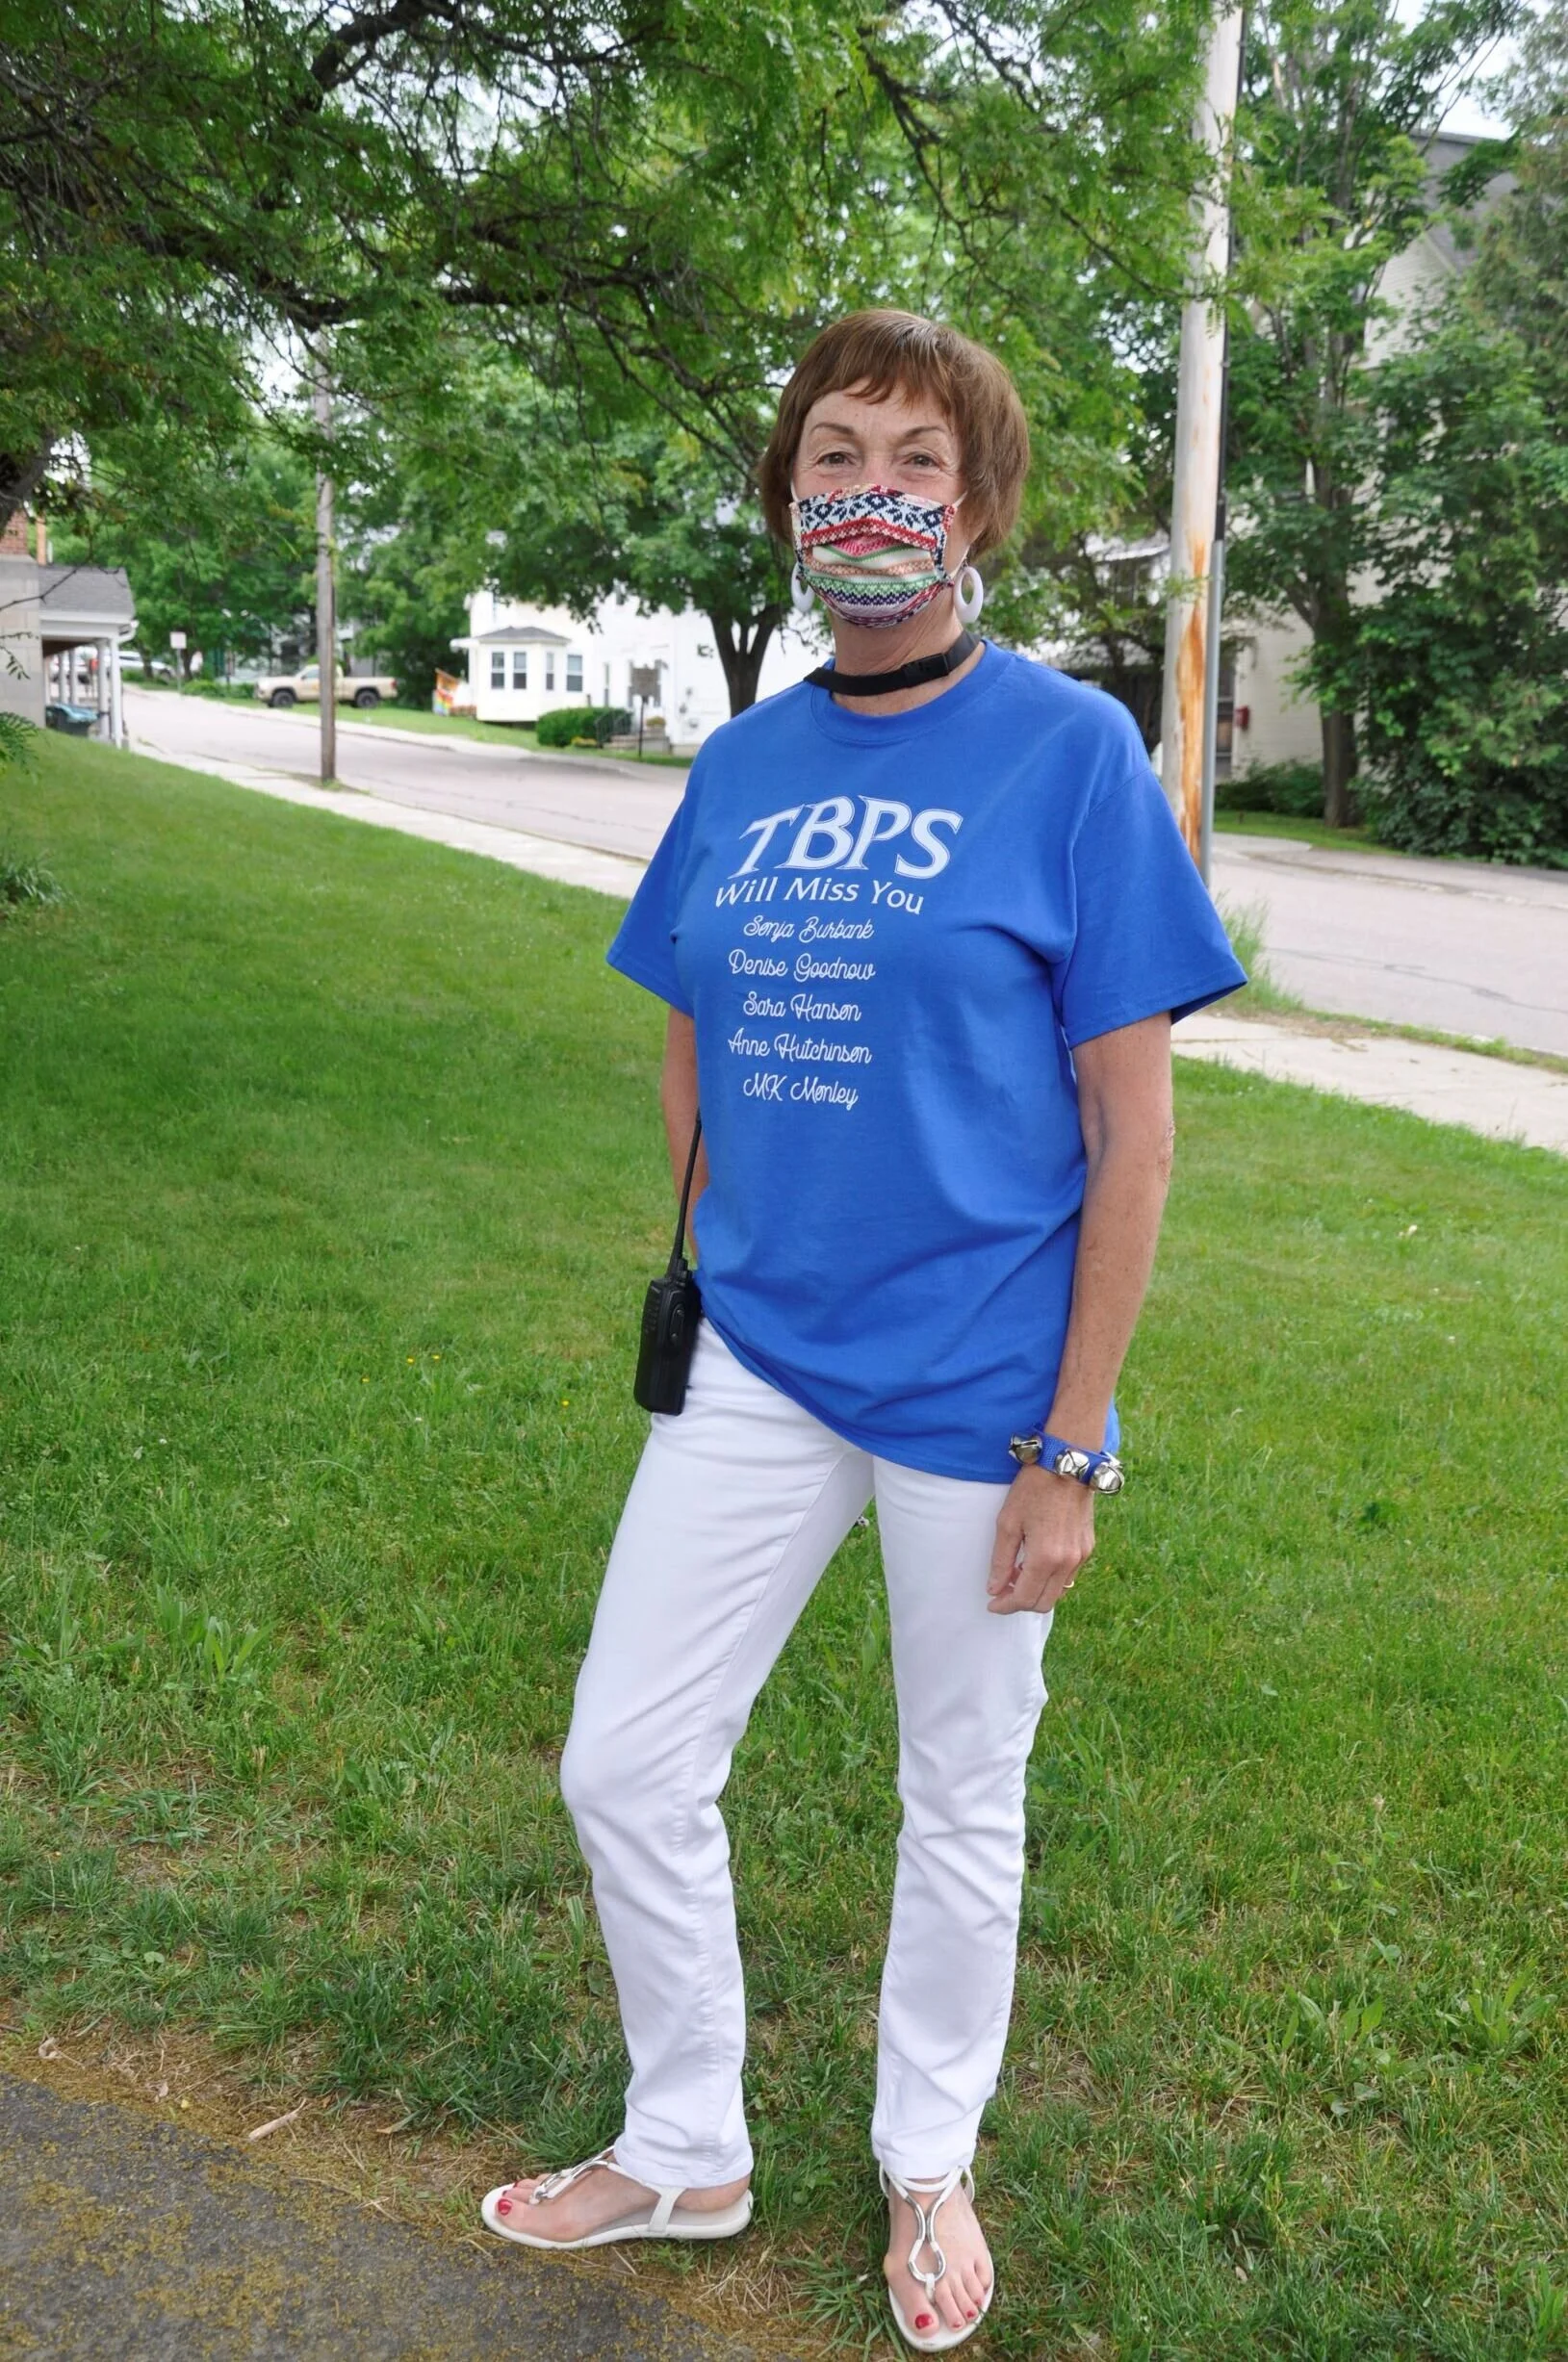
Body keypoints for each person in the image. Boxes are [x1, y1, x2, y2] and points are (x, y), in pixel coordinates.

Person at [480, 309, 1246, 2352]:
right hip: (762, 1363)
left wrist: (1071, 1440)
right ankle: (682, 2142)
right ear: (786, 500)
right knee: (623, 1757)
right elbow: (687, 1037)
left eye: (911, 459)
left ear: (977, 506)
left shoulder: (1070, 754)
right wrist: (729, 1249)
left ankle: (928, 2159)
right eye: (830, 459)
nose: (866, 495)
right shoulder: (741, 761)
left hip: (981, 1392)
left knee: (957, 1791)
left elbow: (1134, 1132)